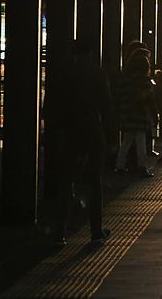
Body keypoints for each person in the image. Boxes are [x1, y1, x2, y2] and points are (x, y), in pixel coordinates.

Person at [46, 39, 113, 246]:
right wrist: (112, 136)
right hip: (92, 130)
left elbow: (50, 105)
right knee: (94, 182)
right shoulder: (98, 74)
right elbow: (107, 106)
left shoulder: (62, 74)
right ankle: (95, 231)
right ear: (91, 53)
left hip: (68, 132)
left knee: (66, 182)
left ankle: (59, 233)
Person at [115, 49, 156, 177]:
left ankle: (119, 166)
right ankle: (142, 166)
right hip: (140, 115)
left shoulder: (126, 80)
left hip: (127, 114)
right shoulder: (145, 82)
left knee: (126, 142)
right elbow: (150, 101)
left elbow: (120, 96)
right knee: (141, 142)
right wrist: (154, 116)